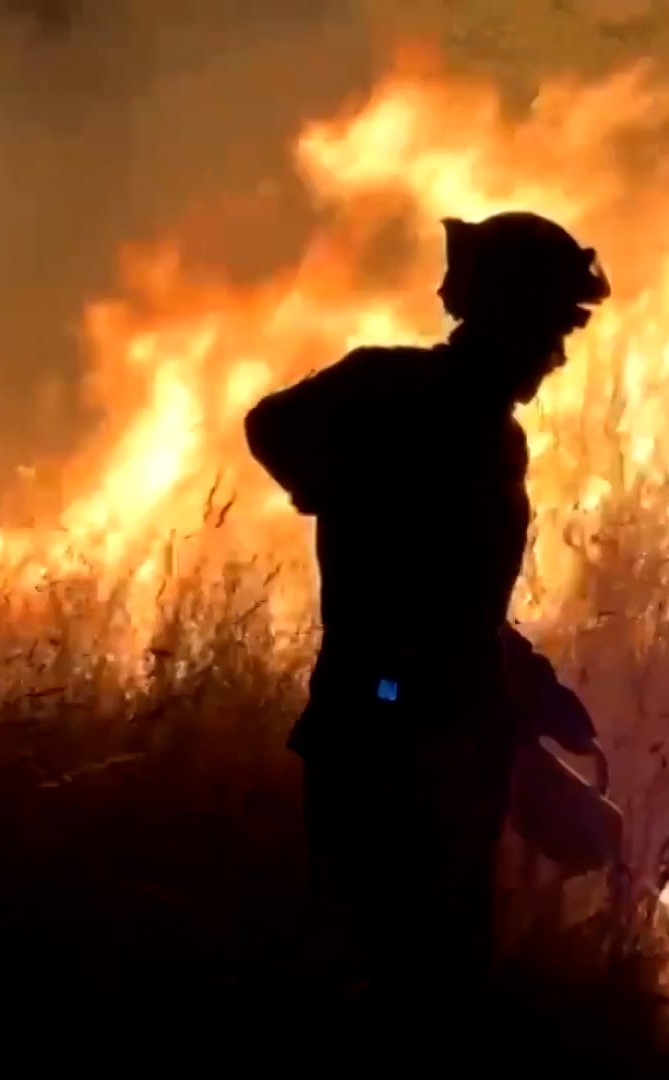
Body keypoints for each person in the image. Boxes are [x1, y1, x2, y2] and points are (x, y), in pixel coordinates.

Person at [243, 211, 609, 1036]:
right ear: (505, 316)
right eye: (551, 329)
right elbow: (269, 427)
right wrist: (338, 491)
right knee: (402, 983)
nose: (556, 356)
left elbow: (458, 601)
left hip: (439, 735)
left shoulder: (495, 439)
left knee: (434, 986)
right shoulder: (390, 388)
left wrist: (532, 687)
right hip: (384, 727)